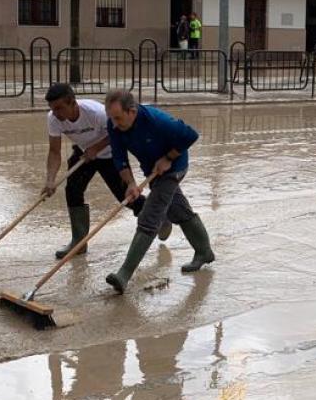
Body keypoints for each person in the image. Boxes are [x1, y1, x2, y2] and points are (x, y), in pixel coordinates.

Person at [104, 90, 214, 293]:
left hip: (174, 167)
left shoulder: (157, 120)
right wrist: (130, 183)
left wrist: (169, 157)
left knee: (150, 215)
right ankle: (204, 251)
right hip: (152, 170)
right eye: (111, 118)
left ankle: (124, 274)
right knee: (177, 210)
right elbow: (119, 157)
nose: (114, 123)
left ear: (132, 112)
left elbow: (190, 134)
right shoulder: (115, 125)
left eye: (118, 117)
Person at [42, 83, 155, 259]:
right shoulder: (53, 118)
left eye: (59, 108)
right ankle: (79, 242)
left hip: (110, 153)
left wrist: (96, 148)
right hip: (84, 153)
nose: (55, 113)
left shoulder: (96, 113)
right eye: (52, 109)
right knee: (72, 191)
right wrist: (50, 180)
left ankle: (158, 217)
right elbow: (54, 151)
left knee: (125, 196)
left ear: (73, 102)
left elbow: (116, 133)